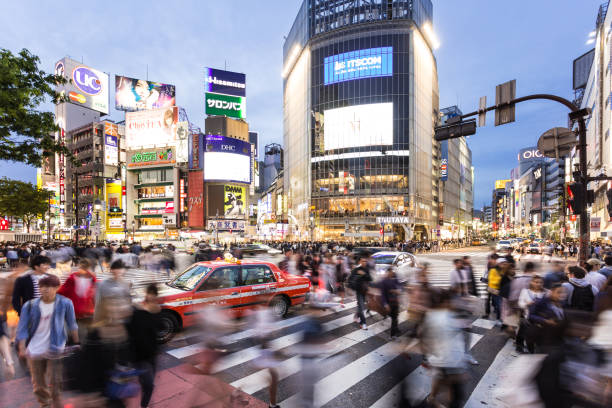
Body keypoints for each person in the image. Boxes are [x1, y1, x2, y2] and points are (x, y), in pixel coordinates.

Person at [16, 274, 79, 408]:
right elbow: (22, 328)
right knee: (38, 384)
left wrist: (77, 342)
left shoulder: (65, 303)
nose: (45, 289)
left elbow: (72, 324)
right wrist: (22, 347)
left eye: (49, 287)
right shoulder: (30, 305)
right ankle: (45, 404)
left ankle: (56, 404)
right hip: (34, 348)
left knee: (56, 381)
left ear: (57, 287)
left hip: (56, 347)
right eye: (42, 286)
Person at [420, 289, 467, 408]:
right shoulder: (442, 317)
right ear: (445, 302)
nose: (453, 303)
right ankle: (434, 400)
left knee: (440, 380)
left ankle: (432, 399)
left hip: (444, 360)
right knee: (452, 390)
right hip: (448, 361)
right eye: (451, 301)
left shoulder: (435, 315)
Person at [128, 283, 162, 408]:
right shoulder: (138, 311)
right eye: (150, 294)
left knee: (148, 382)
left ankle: (144, 399)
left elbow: (157, 331)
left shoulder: (158, 311)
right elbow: (131, 330)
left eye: (154, 294)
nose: (152, 296)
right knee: (149, 385)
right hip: (140, 355)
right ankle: (144, 405)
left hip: (152, 354)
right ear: (147, 294)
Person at [58, 258, 97, 339]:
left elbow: (63, 290)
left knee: (77, 331)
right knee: (81, 332)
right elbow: (63, 290)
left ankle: (78, 343)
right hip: (83, 310)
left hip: (81, 310)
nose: (81, 269)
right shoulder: (74, 278)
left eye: (82, 267)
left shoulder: (90, 278)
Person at [528, 283, 566, 352]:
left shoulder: (563, 303)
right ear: (551, 292)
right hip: (544, 338)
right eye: (558, 292)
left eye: (563, 292)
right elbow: (531, 316)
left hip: (558, 337)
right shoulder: (542, 302)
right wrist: (545, 320)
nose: (561, 295)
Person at [516, 275, 546, 353]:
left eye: (540, 282)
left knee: (534, 334)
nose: (538, 284)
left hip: (539, 318)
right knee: (522, 332)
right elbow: (520, 303)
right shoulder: (525, 291)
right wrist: (527, 304)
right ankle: (519, 345)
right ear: (531, 282)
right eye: (536, 282)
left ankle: (532, 348)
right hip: (526, 316)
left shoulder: (545, 293)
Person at [348, 254, 372, 330]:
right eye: (363, 261)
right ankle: (363, 323)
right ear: (360, 262)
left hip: (366, 291)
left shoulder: (367, 269)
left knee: (361, 306)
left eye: (365, 261)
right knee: (361, 307)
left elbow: (370, 279)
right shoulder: (356, 270)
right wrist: (353, 287)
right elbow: (350, 280)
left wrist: (364, 274)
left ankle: (356, 316)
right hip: (359, 291)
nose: (364, 262)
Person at [379, 267, 402, 339]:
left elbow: (400, 288)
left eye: (392, 271)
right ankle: (394, 331)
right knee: (393, 317)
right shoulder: (384, 281)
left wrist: (398, 291)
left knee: (395, 318)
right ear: (387, 272)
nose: (392, 273)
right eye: (390, 271)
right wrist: (385, 304)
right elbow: (383, 294)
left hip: (395, 302)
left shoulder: (395, 279)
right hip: (389, 303)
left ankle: (393, 334)